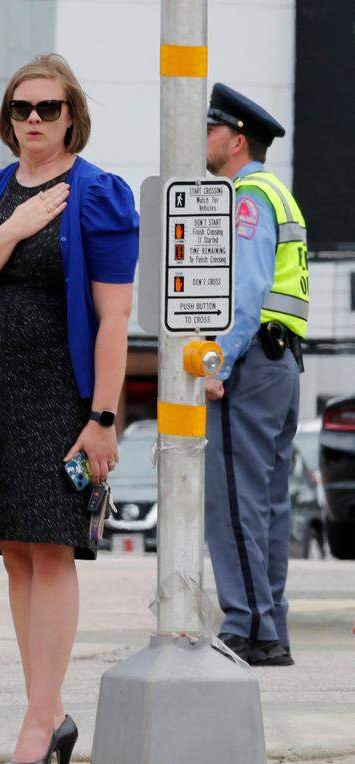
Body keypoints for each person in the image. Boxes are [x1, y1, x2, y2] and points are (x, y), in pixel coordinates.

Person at [0, 54, 138, 764]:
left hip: (63, 395)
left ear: (72, 114)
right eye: (23, 109)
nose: (35, 122)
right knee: (13, 552)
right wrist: (13, 229)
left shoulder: (99, 193)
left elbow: (114, 319)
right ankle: (47, 711)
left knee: (51, 549)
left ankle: (39, 716)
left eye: (49, 109)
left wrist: (103, 418)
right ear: (8, 116)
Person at [203, 83, 308, 667]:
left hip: (251, 364)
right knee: (267, 503)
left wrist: (217, 359)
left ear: (236, 139)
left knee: (234, 499)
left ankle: (246, 626)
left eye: (211, 129)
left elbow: (244, 294)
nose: (204, 139)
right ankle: (271, 629)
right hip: (281, 364)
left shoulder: (246, 197)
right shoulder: (279, 193)